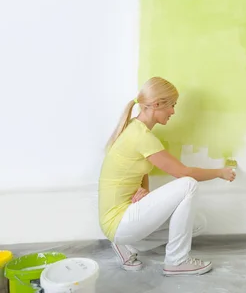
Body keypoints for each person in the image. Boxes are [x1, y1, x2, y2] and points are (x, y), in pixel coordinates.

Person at [98, 76, 236, 276]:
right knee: (188, 184)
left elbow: (139, 170)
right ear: (156, 105)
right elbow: (183, 173)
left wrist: (144, 189)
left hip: (123, 218)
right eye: (171, 105)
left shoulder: (135, 128)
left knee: (198, 224)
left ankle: (128, 246)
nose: (173, 111)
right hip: (118, 222)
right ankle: (177, 261)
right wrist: (219, 173)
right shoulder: (141, 136)